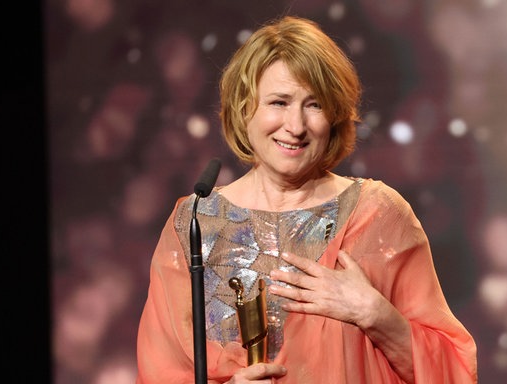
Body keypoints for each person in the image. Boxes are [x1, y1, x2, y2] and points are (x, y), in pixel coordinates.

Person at [136, 15, 478, 383]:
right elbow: (160, 372)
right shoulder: (194, 224)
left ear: (334, 117)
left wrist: (375, 314)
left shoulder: (378, 215)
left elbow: (454, 371)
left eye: (313, 105)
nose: (296, 126)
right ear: (243, 108)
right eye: (279, 102)